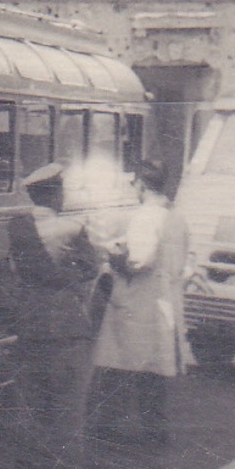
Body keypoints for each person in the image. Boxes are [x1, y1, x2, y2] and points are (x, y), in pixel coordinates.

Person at [5, 162, 104, 469]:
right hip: (67, 322)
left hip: (28, 319)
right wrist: (69, 277)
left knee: (30, 396)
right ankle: (69, 466)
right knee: (69, 399)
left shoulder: (16, 226)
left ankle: (26, 464)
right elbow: (92, 267)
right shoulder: (72, 229)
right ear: (55, 194)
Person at [91, 161, 191, 448]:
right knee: (152, 369)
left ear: (141, 185)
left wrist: (114, 256)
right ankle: (154, 428)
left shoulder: (146, 217)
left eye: (133, 185)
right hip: (163, 300)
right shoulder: (176, 218)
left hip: (139, 302)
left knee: (119, 365)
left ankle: (108, 425)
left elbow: (139, 261)